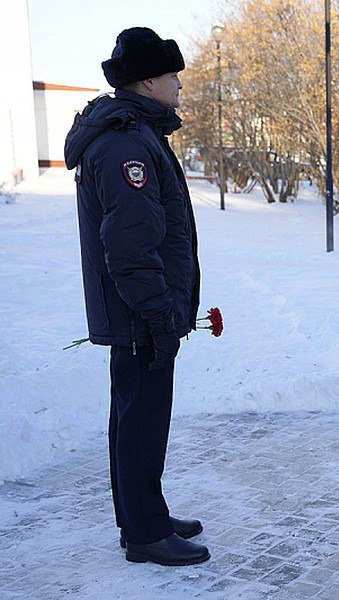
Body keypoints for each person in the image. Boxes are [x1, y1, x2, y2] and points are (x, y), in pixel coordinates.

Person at [63, 27, 209, 566]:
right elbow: (129, 244)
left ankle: (143, 515)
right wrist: (157, 313)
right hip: (140, 312)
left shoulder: (136, 134)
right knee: (141, 419)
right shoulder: (127, 142)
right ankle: (145, 531)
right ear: (148, 81)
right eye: (173, 75)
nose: (178, 84)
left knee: (137, 415)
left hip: (140, 308)